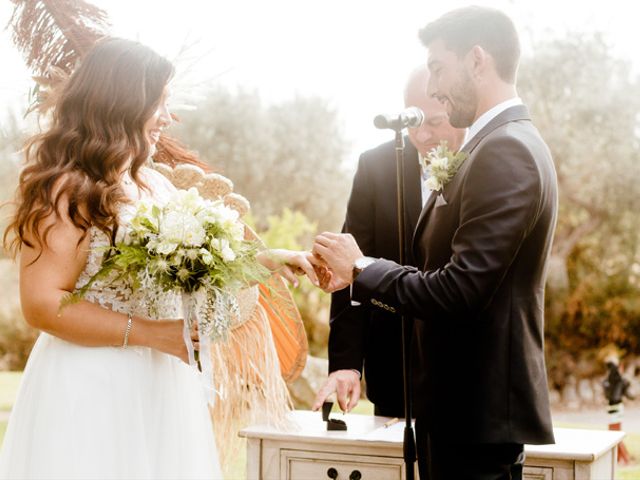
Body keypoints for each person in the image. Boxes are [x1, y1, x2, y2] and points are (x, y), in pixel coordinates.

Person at [0, 37, 316, 480]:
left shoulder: (155, 186)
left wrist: (268, 261)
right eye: (160, 102)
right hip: (91, 382)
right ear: (124, 102)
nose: (169, 117)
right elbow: (41, 304)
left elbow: (196, 272)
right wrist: (153, 333)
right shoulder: (66, 188)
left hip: (163, 380)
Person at [313, 6, 557, 479]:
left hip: (475, 416)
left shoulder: (504, 150)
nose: (434, 87)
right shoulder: (498, 144)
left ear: (477, 60)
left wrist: (362, 267)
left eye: (438, 67)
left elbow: (460, 291)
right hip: (459, 413)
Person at [312, 65, 465, 417]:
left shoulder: (484, 163)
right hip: (394, 370)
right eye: (413, 121)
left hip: (465, 371)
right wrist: (346, 363)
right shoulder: (375, 167)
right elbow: (349, 266)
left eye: (436, 121)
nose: (423, 134)